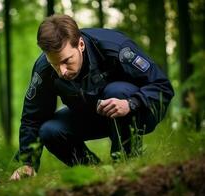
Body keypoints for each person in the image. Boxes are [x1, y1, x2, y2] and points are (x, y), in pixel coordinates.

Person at [10, 14, 174, 180]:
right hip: (91, 116)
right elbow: (32, 117)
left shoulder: (116, 48)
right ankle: (93, 171)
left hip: (137, 111)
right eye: (55, 64)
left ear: (80, 44)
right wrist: (27, 163)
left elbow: (162, 86)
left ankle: (126, 162)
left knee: (116, 91)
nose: (62, 71)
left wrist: (131, 103)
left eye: (67, 61)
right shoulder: (44, 69)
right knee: (49, 130)